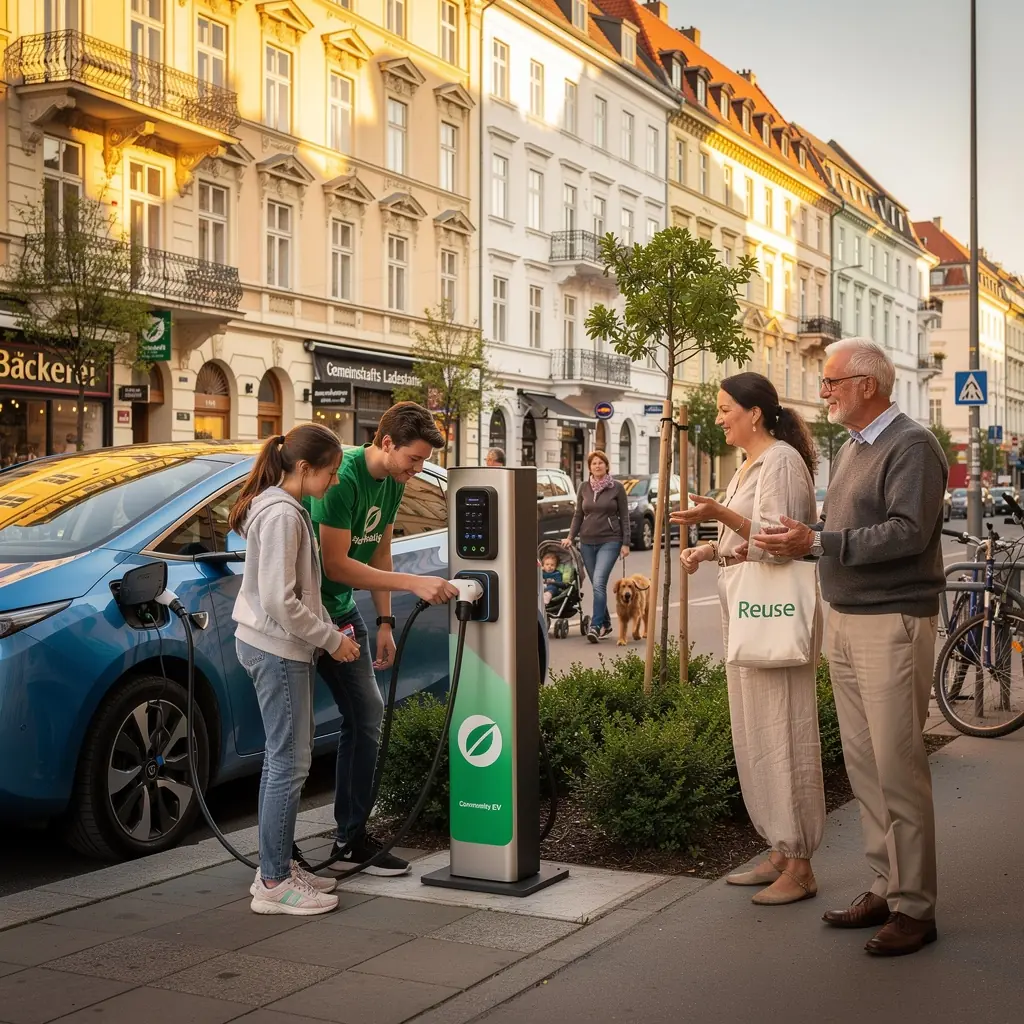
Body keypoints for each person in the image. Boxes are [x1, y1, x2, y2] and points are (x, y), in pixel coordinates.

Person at [753, 338, 947, 957]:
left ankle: (916, 907)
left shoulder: (912, 444)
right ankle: (885, 884)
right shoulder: (855, 446)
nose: (825, 389)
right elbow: (842, 532)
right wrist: (809, 540)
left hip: (891, 620)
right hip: (849, 617)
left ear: (868, 384)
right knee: (865, 767)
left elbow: (909, 533)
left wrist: (823, 542)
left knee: (898, 768)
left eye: (833, 380)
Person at [673, 373, 825, 906]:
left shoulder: (780, 460)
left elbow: (777, 543)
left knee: (783, 731)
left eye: (724, 408)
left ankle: (801, 862)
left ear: (754, 412)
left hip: (773, 617)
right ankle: (782, 849)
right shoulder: (752, 464)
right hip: (752, 614)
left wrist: (716, 513)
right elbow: (746, 545)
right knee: (758, 731)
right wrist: (706, 550)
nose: (718, 417)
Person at [305, 402, 459, 875]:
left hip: (342, 611)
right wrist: (414, 586)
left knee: (367, 716)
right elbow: (335, 565)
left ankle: (351, 837)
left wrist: (387, 622)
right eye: (413, 459)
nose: (417, 470)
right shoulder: (342, 478)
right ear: (386, 443)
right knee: (290, 743)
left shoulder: (393, 483)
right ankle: (278, 858)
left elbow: (382, 551)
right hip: (305, 614)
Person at [229, 425, 361, 916]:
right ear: (304, 468)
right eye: (330, 474)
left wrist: (330, 632)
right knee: (289, 762)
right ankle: (274, 881)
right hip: (277, 648)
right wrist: (330, 639)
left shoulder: (282, 507)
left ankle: (278, 864)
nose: (332, 484)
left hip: (278, 645)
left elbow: (299, 592)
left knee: (286, 760)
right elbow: (280, 601)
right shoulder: (283, 514)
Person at [562, 451, 629, 643]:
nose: (597, 466)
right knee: (596, 585)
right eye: (593, 464)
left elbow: (624, 516)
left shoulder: (617, 488)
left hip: (610, 540)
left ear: (607, 466)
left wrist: (625, 543)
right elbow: (578, 515)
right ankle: (606, 623)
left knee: (599, 582)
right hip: (586, 542)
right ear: (590, 468)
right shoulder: (584, 487)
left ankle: (595, 625)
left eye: (601, 463)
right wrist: (570, 537)